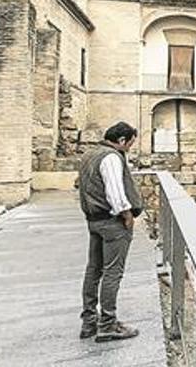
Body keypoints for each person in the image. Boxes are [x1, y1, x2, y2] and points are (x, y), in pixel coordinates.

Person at [77, 122, 144, 342]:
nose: (129, 148)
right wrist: (127, 215)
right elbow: (115, 192)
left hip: (94, 221)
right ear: (122, 140)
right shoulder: (111, 157)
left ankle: (89, 321)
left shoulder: (90, 154)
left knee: (93, 269)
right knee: (113, 272)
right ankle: (107, 324)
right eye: (129, 144)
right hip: (111, 222)